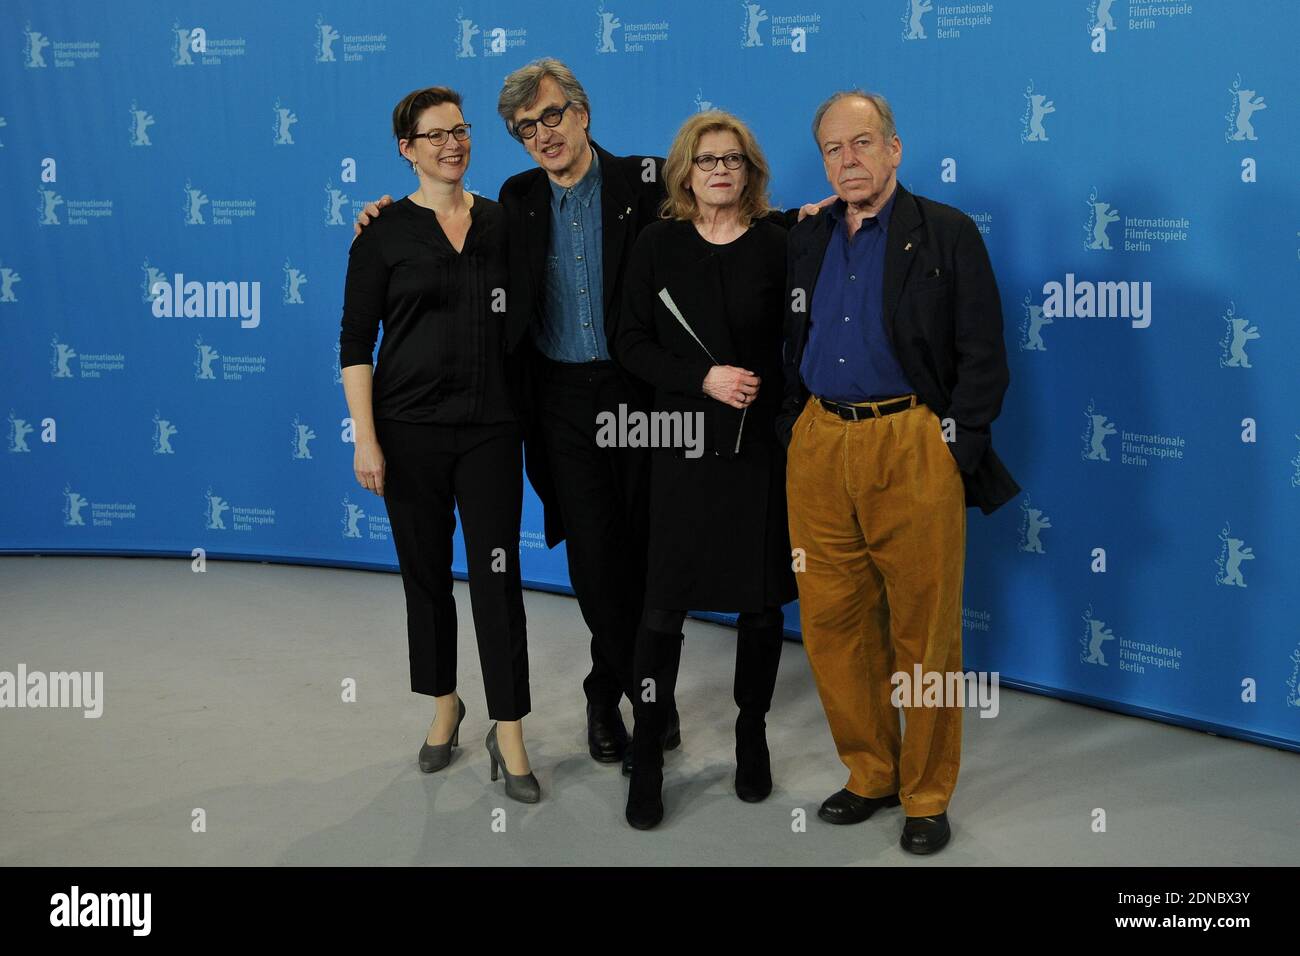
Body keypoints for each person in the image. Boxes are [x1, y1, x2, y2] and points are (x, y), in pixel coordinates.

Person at [777, 90, 1020, 854]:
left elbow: (983, 354)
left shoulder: (945, 233)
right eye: (832, 150)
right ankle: (870, 771)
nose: (847, 161)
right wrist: (795, 428)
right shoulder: (808, 235)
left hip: (911, 442)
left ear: (894, 148)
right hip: (820, 446)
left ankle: (925, 792)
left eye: (861, 144)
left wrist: (955, 447)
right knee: (832, 623)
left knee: (926, 633)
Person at [339, 86, 539, 804]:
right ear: (406, 149)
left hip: (491, 429)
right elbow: (356, 344)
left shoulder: (504, 221)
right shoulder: (383, 233)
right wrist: (367, 440)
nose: (452, 144)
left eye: (460, 131)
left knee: (498, 578)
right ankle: (444, 705)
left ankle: (508, 727)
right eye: (434, 135)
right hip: (408, 433)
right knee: (425, 575)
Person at [612, 111, 797, 830]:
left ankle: (751, 733)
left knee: (759, 606)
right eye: (706, 159)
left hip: (756, 452)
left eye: (734, 159)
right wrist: (701, 378)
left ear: (750, 172)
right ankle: (652, 750)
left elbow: (799, 341)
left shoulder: (781, 247)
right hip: (682, 446)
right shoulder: (657, 245)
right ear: (684, 172)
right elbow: (629, 342)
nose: (720, 170)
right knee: (663, 608)